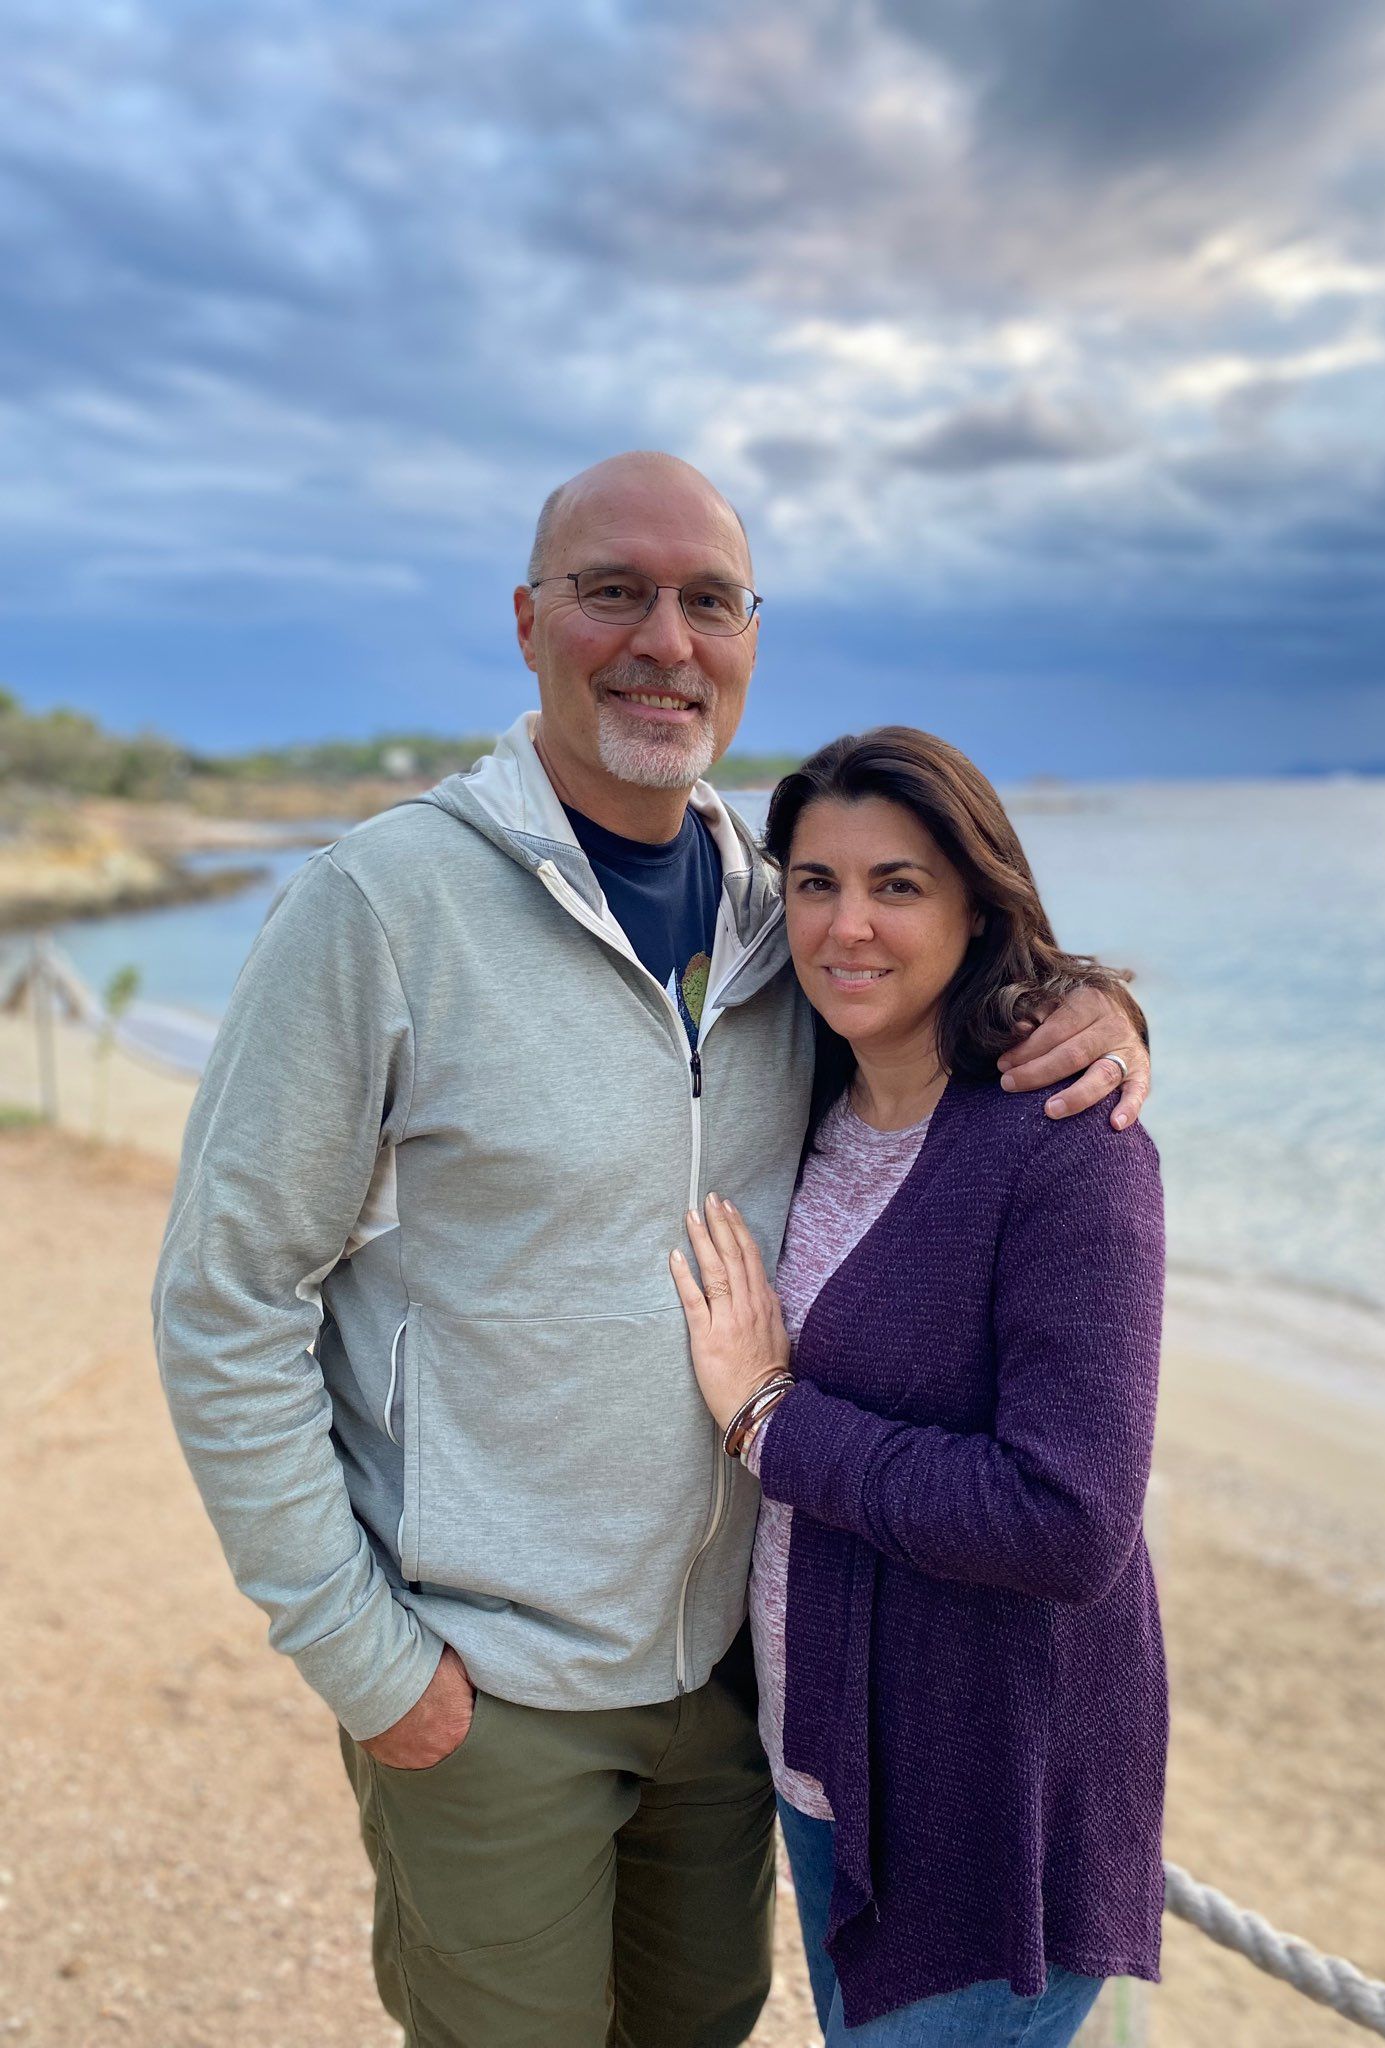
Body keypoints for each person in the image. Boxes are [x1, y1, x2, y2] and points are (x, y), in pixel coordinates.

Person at [151, 452, 1152, 2048]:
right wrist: (365, 1659)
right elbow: (226, 1298)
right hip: (486, 1690)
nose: (663, 641)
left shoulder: (788, 925)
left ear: (753, 636)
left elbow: (931, 1051)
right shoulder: (382, 906)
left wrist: (1094, 1010)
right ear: (531, 620)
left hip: (738, 1694)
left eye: (709, 601)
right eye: (615, 590)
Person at [671, 726, 1165, 2044]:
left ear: (973, 903)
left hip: (982, 1809)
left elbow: (1069, 1519)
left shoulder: (1065, 1151)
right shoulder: (810, 1094)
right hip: (826, 1775)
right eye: (817, 884)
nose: (849, 927)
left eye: (898, 885)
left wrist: (772, 1421)